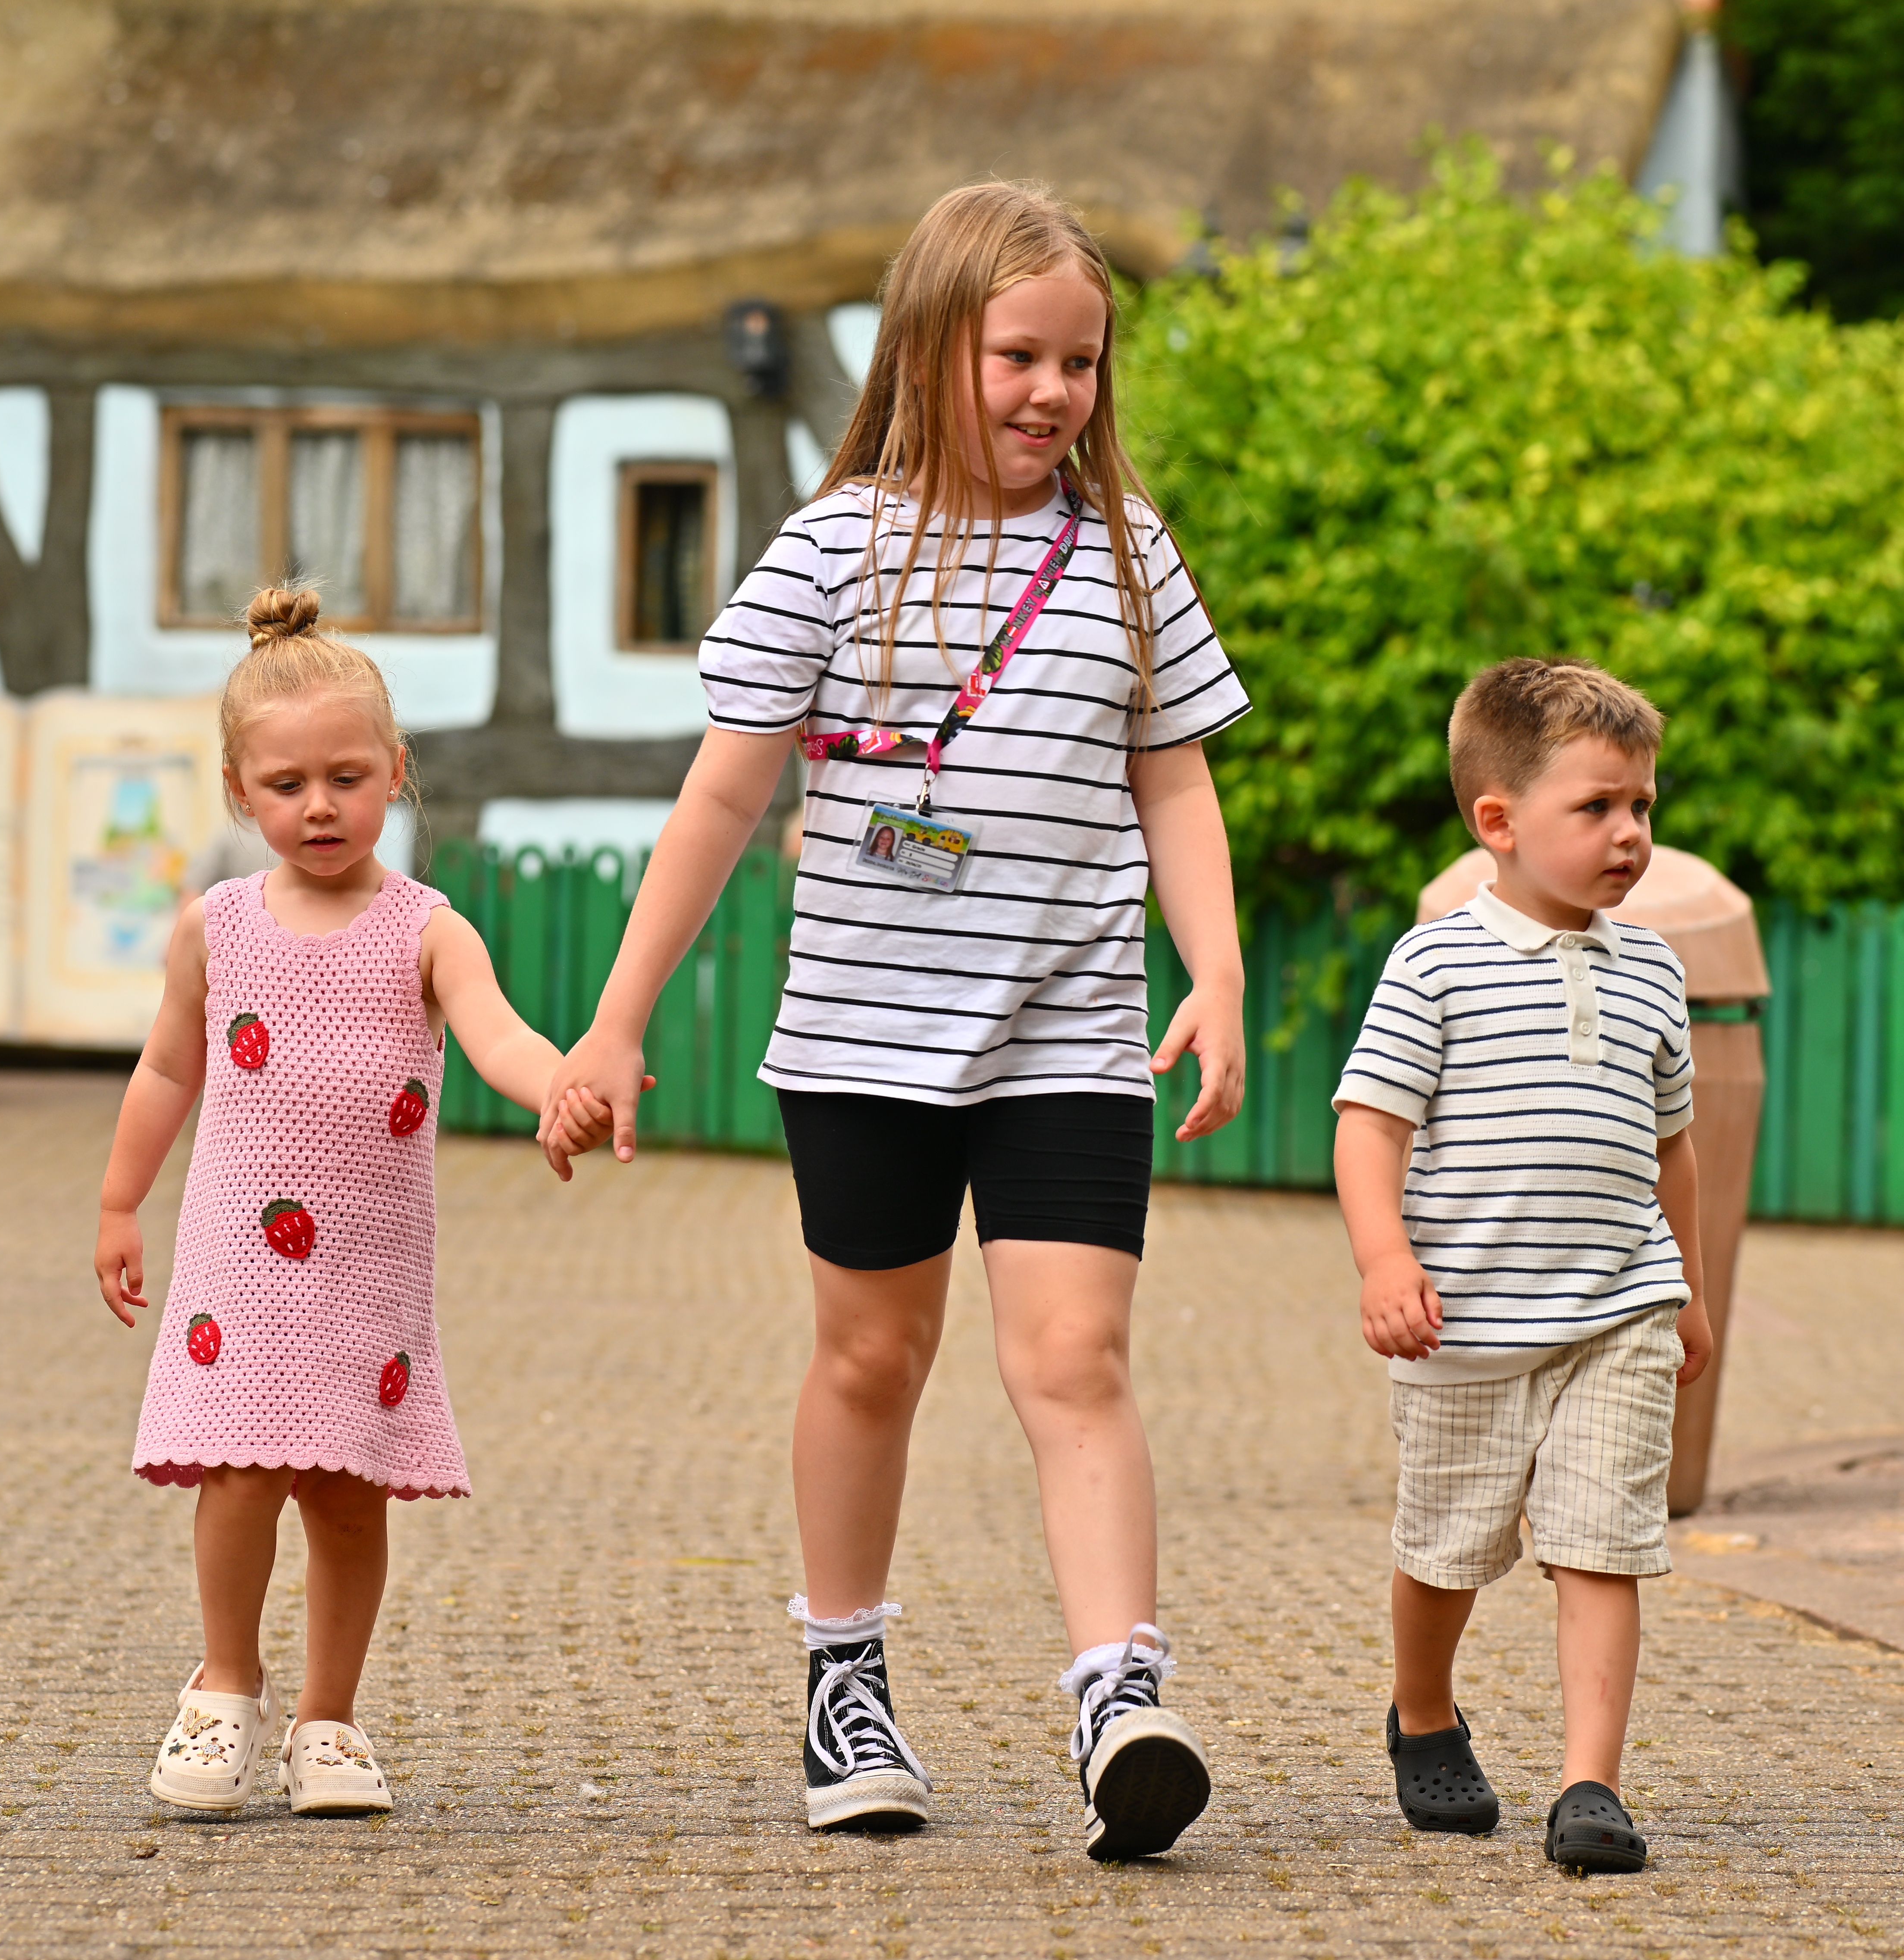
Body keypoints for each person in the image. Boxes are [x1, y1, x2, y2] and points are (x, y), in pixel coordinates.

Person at [544, 179, 1251, 1862]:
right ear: (931, 346)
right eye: (1020, 354)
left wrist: (1213, 966)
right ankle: (844, 1676)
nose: (1052, 393)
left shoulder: (1127, 553)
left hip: (1069, 1030)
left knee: (1074, 1358)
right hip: (864, 1035)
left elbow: (1176, 776)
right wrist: (613, 1021)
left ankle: (1115, 1692)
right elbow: (721, 799)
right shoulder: (830, 548)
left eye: (1081, 362)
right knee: (875, 1356)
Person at [95, 585, 612, 1819]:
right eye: (286, 787)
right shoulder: (214, 929)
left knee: (345, 1487)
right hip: (235, 1263)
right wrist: (120, 1203)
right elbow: (170, 1067)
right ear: (238, 791)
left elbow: (499, 1036)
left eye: (346, 777)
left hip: (364, 1273)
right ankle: (224, 1688)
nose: (318, 807)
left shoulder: (429, 929)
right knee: (236, 1474)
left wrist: (562, 1090)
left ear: (396, 771)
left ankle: (330, 1720)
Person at [1329, 660, 1714, 1873]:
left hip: (1618, 1312)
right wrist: (1385, 1260)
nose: (1630, 834)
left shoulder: (1654, 969)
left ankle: (1590, 1784)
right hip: (1470, 1327)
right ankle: (1425, 1709)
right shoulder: (1433, 964)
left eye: (1643, 807)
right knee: (1447, 1548)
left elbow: (1675, 1150)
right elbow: (1369, 1124)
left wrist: (1687, 1288)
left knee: (1603, 1542)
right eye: (1597, 807)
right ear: (1498, 822)